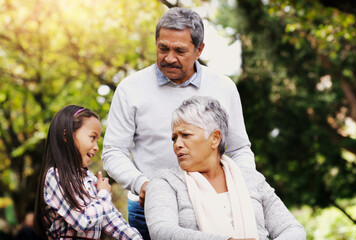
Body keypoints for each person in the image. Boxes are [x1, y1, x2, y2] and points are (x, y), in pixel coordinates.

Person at [102, 7, 255, 239]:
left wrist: (242, 190)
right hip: (149, 209)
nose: (169, 57)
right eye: (163, 48)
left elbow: (239, 148)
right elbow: (113, 151)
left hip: (215, 206)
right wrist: (142, 184)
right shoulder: (130, 89)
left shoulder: (223, 87)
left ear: (199, 50)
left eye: (180, 50)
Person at [144, 96, 306, 240]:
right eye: (174, 138)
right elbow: (162, 232)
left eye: (185, 135)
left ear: (215, 138)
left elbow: (292, 229)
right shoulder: (165, 182)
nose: (177, 144)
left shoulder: (251, 179)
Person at [34, 105, 142, 240]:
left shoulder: (90, 179)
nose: (96, 147)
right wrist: (103, 194)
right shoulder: (55, 177)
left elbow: (112, 220)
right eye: (92, 137)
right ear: (66, 136)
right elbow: (83, 221)